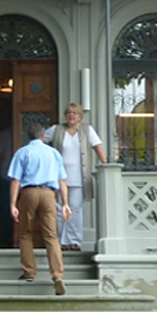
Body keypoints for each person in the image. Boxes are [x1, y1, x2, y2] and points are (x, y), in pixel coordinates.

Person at [7, 121, 71, 295]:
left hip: (28, 192)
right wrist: (65, 203)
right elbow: (62, 180)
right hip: (49, 193)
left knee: (25, 233)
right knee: (51, 235)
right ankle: (57, 275)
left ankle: (29, 271)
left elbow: (15, 180)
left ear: (28, 136)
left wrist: (12, 204)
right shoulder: (54, 153)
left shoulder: (22, 152)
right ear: (43, 136)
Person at [43, 102, 107, 251]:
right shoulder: (56, 130)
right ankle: (60, 241)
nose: (71, 115)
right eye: (69, 113)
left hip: (79, 178)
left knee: (75, 209)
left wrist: (105, 164)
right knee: (59, 209)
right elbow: (41, 141)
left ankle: (74, 241)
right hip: (59, 178)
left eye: (75, 113)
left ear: (80, 117)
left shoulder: (86, 130)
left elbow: (98, 147)